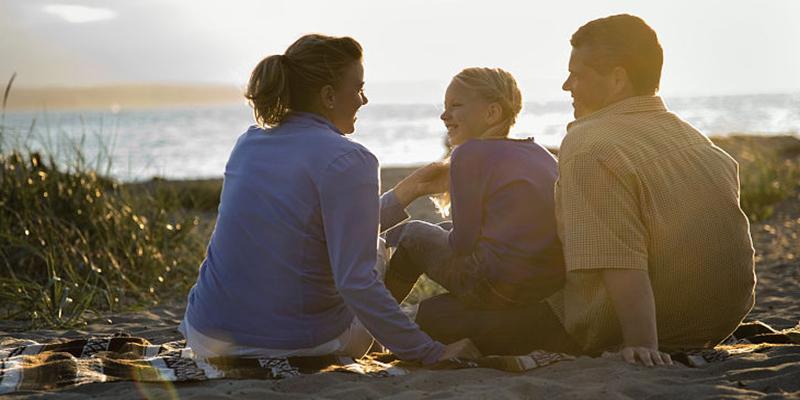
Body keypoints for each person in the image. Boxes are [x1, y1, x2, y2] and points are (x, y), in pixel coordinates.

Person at [178, 34, 479, 365]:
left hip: (205, 334)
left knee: (365, 244)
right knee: (377, 249)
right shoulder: (349, 159)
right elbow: (356, 281)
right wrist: (429, 352)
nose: (364, 99)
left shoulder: (248, 143)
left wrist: (413, 188)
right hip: (293, 343)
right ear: (328, 96)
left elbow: (308, 227)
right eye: (359, 88)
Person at [383, 67, 566, 355]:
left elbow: (462, 243)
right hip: (542, 284)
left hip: (495, 284)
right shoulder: (541, 153)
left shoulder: (470, 153)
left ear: (492, 113)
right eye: (444, 108)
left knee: (411, 233)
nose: (444, 116)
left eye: (455, 106)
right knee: (438, 234)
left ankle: (380, 330)